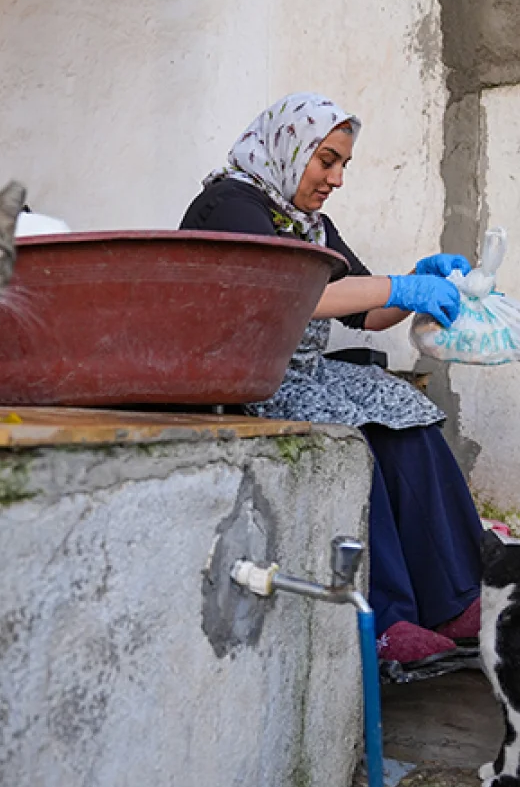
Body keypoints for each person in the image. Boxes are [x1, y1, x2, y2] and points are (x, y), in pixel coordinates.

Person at [180, 92, 482, 664]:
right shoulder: (230, 204)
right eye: (326, 160)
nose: (336, 178)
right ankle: (387, 619)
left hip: (299, 374)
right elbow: (289, 294)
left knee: (407, 415)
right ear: (288, 149)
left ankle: (454, 599)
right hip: (237, 383)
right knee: (355, 439)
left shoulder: (311, 224)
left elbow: (364, 311)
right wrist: (399, 285)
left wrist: (418, 277)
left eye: (342, 164)